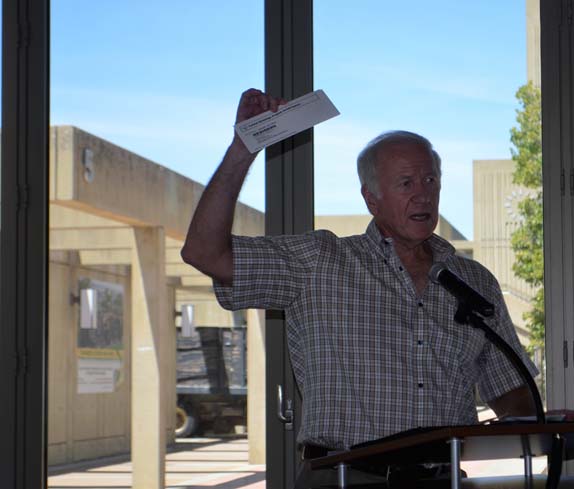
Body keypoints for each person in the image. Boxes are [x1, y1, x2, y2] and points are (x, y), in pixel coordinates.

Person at [182, 88, 540, 485]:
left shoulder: (474, 282)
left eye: (430, 179)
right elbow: (203, 252)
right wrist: (243, 148)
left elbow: (512, 393)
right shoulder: (320, 261)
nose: (423, 193)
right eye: (406, 183)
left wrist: (548, 419)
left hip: (444, 477)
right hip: (344, 477)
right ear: (371, 198)